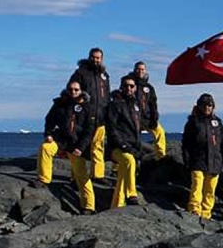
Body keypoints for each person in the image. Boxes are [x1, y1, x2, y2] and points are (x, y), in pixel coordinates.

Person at [34, 81, 96, 214]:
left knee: (81, 175)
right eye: (70, 89)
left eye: (76, 90)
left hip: (76, 144)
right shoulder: (59, 103)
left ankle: (89, 206)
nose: (73, 92)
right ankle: (44, 179)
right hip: (60, 140)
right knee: (45, 147)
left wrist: (80, 147)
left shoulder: (87, 107)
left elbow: (89, 131)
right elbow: (49, 120)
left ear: (81, 91)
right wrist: (49, 134)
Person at [182, 93, 223, 220]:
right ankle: (194, 209)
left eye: (210, 105)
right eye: (204, 105)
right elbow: (186, 143)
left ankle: (206, 212)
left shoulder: (217, 123)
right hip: (198, 159)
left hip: (215, 160)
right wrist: (186, 158)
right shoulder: (193, 122)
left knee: (210, 189)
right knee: (197, 184)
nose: (207, 107)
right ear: (199, 106)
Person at [69, 47, 111, 179]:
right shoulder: (81, 73)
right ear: (89, 57)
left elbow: (107, 95)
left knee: (98, 147)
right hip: (84, 116)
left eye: (98, 57)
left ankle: (98, 176)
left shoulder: (104, 75)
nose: (95, 60)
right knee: (79, 146)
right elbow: (72, 90)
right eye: (93, 57)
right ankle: (75, 177)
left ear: (102, 59)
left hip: (101, 116)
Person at [106, 75, 142, 208]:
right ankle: (132, 194)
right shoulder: (115, 104)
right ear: (121, 87)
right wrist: (124, 146)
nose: (129, 88)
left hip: (132, 147)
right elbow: (112, 129)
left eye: (131, 86)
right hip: (117, 148)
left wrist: (137, 148)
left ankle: (116, 204)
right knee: (129, 161)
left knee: (123, 174)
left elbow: (137, 129)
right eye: (126, 85)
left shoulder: (135, 105)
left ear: (135, 88)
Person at [130, 61, 166, 159]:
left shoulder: (149, 88)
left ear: (145, 71)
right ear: (134, 70)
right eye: (138, 69)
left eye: (142, 69)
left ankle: (161, 158)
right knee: (128, 139)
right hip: (132, 118)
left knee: (160, 132)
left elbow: (153, 104)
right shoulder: (129, 84)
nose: (140, 71)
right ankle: (116, 167)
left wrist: (154, 119)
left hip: (146, 118)